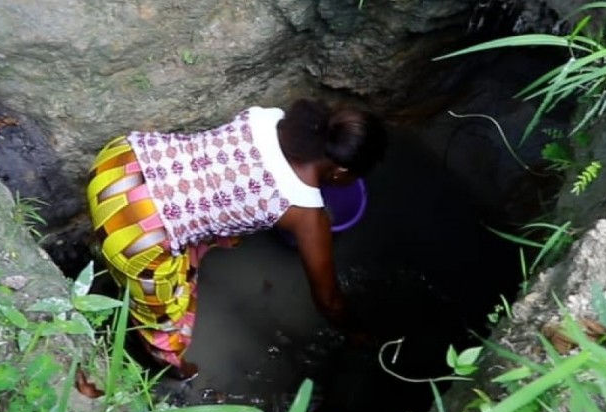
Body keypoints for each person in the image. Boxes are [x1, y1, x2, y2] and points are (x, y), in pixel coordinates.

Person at [86, 99, 387, 380]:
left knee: (188, 232)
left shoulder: (270, 119)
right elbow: (329, 301)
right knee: (165, 321)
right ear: (341, 172)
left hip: (120, 162)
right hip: (136, 232)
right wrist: (355, 330)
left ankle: (122, 269)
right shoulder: (306, 213)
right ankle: (175, 370)